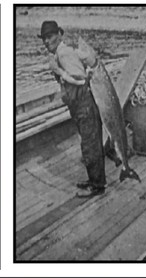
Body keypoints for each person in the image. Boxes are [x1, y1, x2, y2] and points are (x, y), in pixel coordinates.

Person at [38, 21, 106, 197]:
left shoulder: (64, 53)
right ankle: (94, 180)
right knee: (89, 143)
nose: (47, 41)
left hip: (84, 105)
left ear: (59, 34)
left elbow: (81, 80)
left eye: (50, 36)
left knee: (90, 146)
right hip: (79, 106)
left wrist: (58, 72)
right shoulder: (62, 53)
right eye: (44, 38)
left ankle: (97, 186)